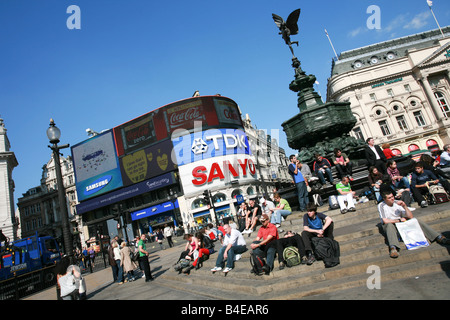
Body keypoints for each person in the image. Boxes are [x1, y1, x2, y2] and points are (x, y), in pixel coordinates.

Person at [378, 191, 450, 258]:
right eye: (389, 198)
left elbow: (410, 216)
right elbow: (385, 221)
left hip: (400, 224)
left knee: (416, 220)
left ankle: (439, 237)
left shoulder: (397, 203)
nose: (392, 199)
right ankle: (393, 247)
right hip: (390, 224)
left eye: (392, 196)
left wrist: (405, 206)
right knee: (389, 225)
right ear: (384, 199)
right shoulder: (381, 205)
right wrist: (399, 220)